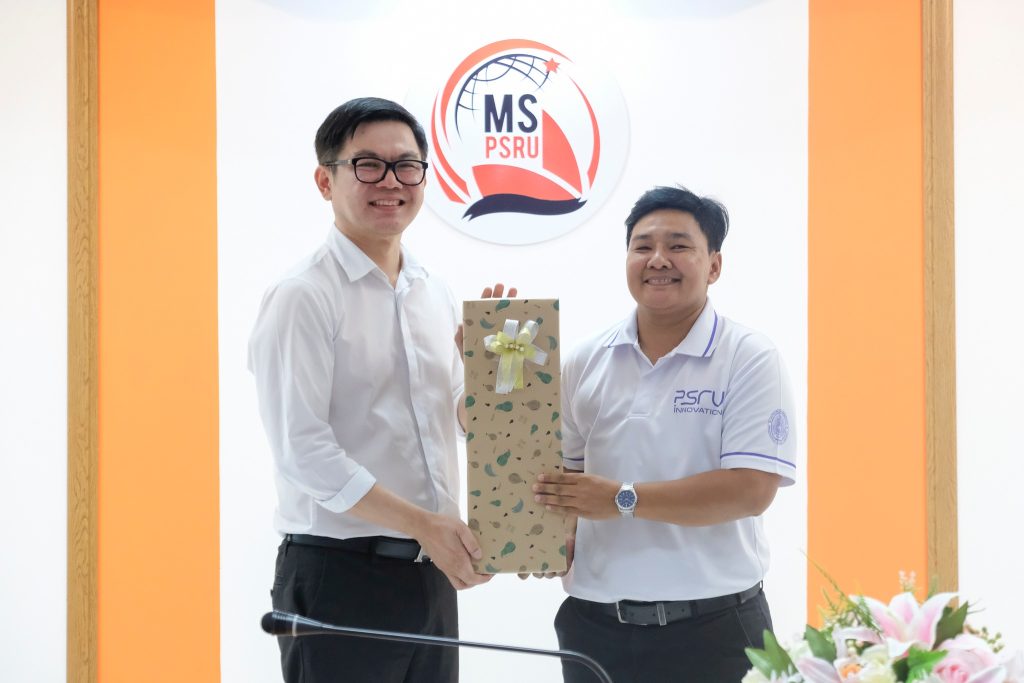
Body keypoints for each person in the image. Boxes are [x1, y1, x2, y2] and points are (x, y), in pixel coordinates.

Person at [248, 97, 506, 683]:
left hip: (429, 577)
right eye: (368, 165)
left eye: (407, 166)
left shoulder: (432, 291)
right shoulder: (303, 296)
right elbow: (304, 451)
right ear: (325, 180)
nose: (391, 181)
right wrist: (426, 525)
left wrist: (491, 384)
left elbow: (457, 418)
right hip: (340, 576)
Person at [532, 186, 798, 682]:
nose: (658, 259)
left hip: (714, 630)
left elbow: (751, 490)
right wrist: (548, 538)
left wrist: (622, 499)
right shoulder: (585, 360)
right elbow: (567, 479)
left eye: (678, 246)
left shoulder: (749, 357)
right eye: (643, 246)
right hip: (594, 629)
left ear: (714, 265)